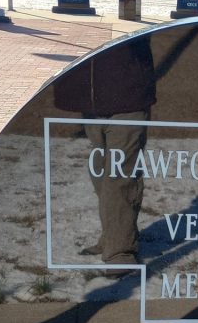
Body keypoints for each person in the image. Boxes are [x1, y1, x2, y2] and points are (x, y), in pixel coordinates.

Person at [54, 37, 156, 277]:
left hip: (128, 94)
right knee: (99, 170)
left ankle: (120, 251)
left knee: (120, 176)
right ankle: (114, 235)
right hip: (88, 99)